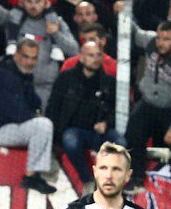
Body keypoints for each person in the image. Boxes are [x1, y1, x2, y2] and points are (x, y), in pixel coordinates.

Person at [125, 22, 171, 205]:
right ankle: (137, 177)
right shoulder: (150, 41)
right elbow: (135, 32)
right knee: (133, 132)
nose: (160, 43)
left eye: (166, 39)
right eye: (159, 38)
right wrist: (123, 12)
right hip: (148, 103)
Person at [0, 39, 57, 194]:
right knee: (43, 125)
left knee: (42, 124)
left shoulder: (22, 73)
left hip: (11, 126)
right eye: (25, 56)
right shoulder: (5, 75)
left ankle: (37, 174)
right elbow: (17, 113)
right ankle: (32, 177)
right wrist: (36, 116)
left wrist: (35, 113)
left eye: (34, 58)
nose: (30, 62)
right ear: (16, 55)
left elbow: (35, 102)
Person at [47, 41, 120, 191]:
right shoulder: (66, 78)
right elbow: (53, 107)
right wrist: (54, 140)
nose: (95, 59)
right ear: (81, 57)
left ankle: (113, 183)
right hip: (75, 131)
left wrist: (106, 123)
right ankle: (87, 180)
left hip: (100, 132)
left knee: (121, 142)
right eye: (91, 55)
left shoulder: (109, 82)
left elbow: (118, 110)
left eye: (98, 55)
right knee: (70, 140)